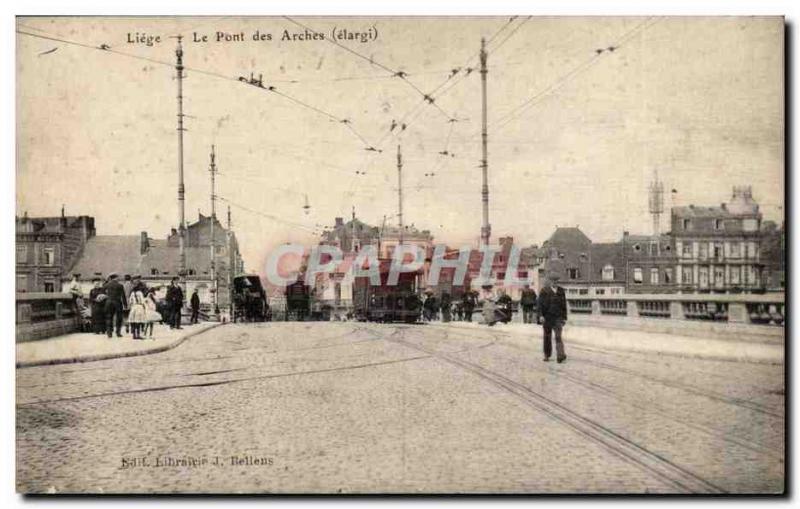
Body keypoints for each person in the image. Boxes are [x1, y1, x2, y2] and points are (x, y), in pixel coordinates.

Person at [538, 272, 568, 363]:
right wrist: (540, 315)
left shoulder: (561, 291)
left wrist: (564, 317)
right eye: (552, 281)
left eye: (556, 281)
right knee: (547, 337)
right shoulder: (544, 291)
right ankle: (547, 355)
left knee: (558, 336)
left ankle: (560, 355)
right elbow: (539, 305)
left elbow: (564, 305)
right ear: (549, 281)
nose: (554, 282)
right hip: (547, 317)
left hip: (558, 317)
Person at [103, 273, 126, 338]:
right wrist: (125, 304)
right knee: (119, 318)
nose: (118, 278)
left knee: (108, 318)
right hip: (117, 303)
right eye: (118, 277)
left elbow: (102, 292)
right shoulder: (120, 285)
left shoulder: (107, 285)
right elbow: (123, 296)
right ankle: (118, 333)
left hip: (109, 302)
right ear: (116, 278)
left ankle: (109, 333)